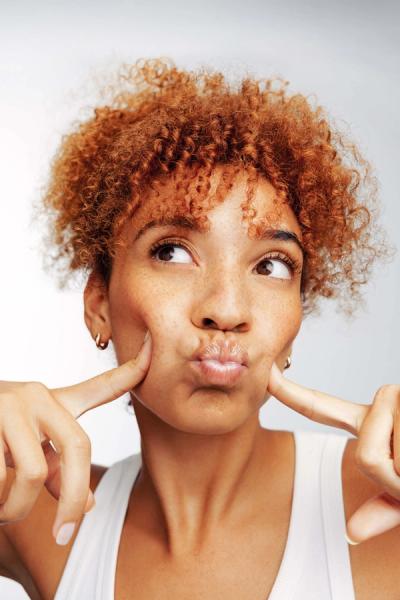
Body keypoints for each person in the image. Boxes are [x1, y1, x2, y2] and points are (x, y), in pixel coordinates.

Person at [0, 57, 399, 599]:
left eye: (271, 265)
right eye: (172, 252)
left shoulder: (383, 506)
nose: (228, 309)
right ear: (98, 304)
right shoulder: (42, 517)